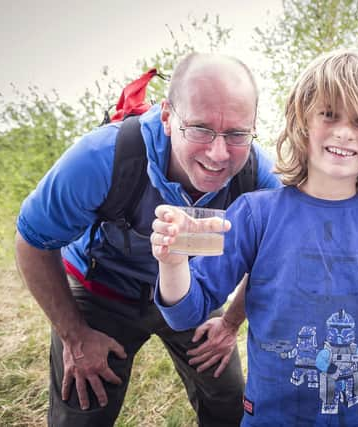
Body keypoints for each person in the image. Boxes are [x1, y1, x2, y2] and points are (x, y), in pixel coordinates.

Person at [151, 49, 358, 426]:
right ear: (302, 122)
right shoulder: (254, 215)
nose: (344, 131)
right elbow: (185, 311)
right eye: (329, 114)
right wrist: (172, 261)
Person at [14, 53, 282, 426]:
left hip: (192, 293)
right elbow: (31, 241)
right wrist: (75, 336)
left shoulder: (258, 175)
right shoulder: (100, 158)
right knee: (82, 409)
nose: (219, 154)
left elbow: (274, 254)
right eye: (200, 129)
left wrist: (231, 323)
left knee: (230, 403)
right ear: (169, 117)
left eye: (237, 134)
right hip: (102, 291)